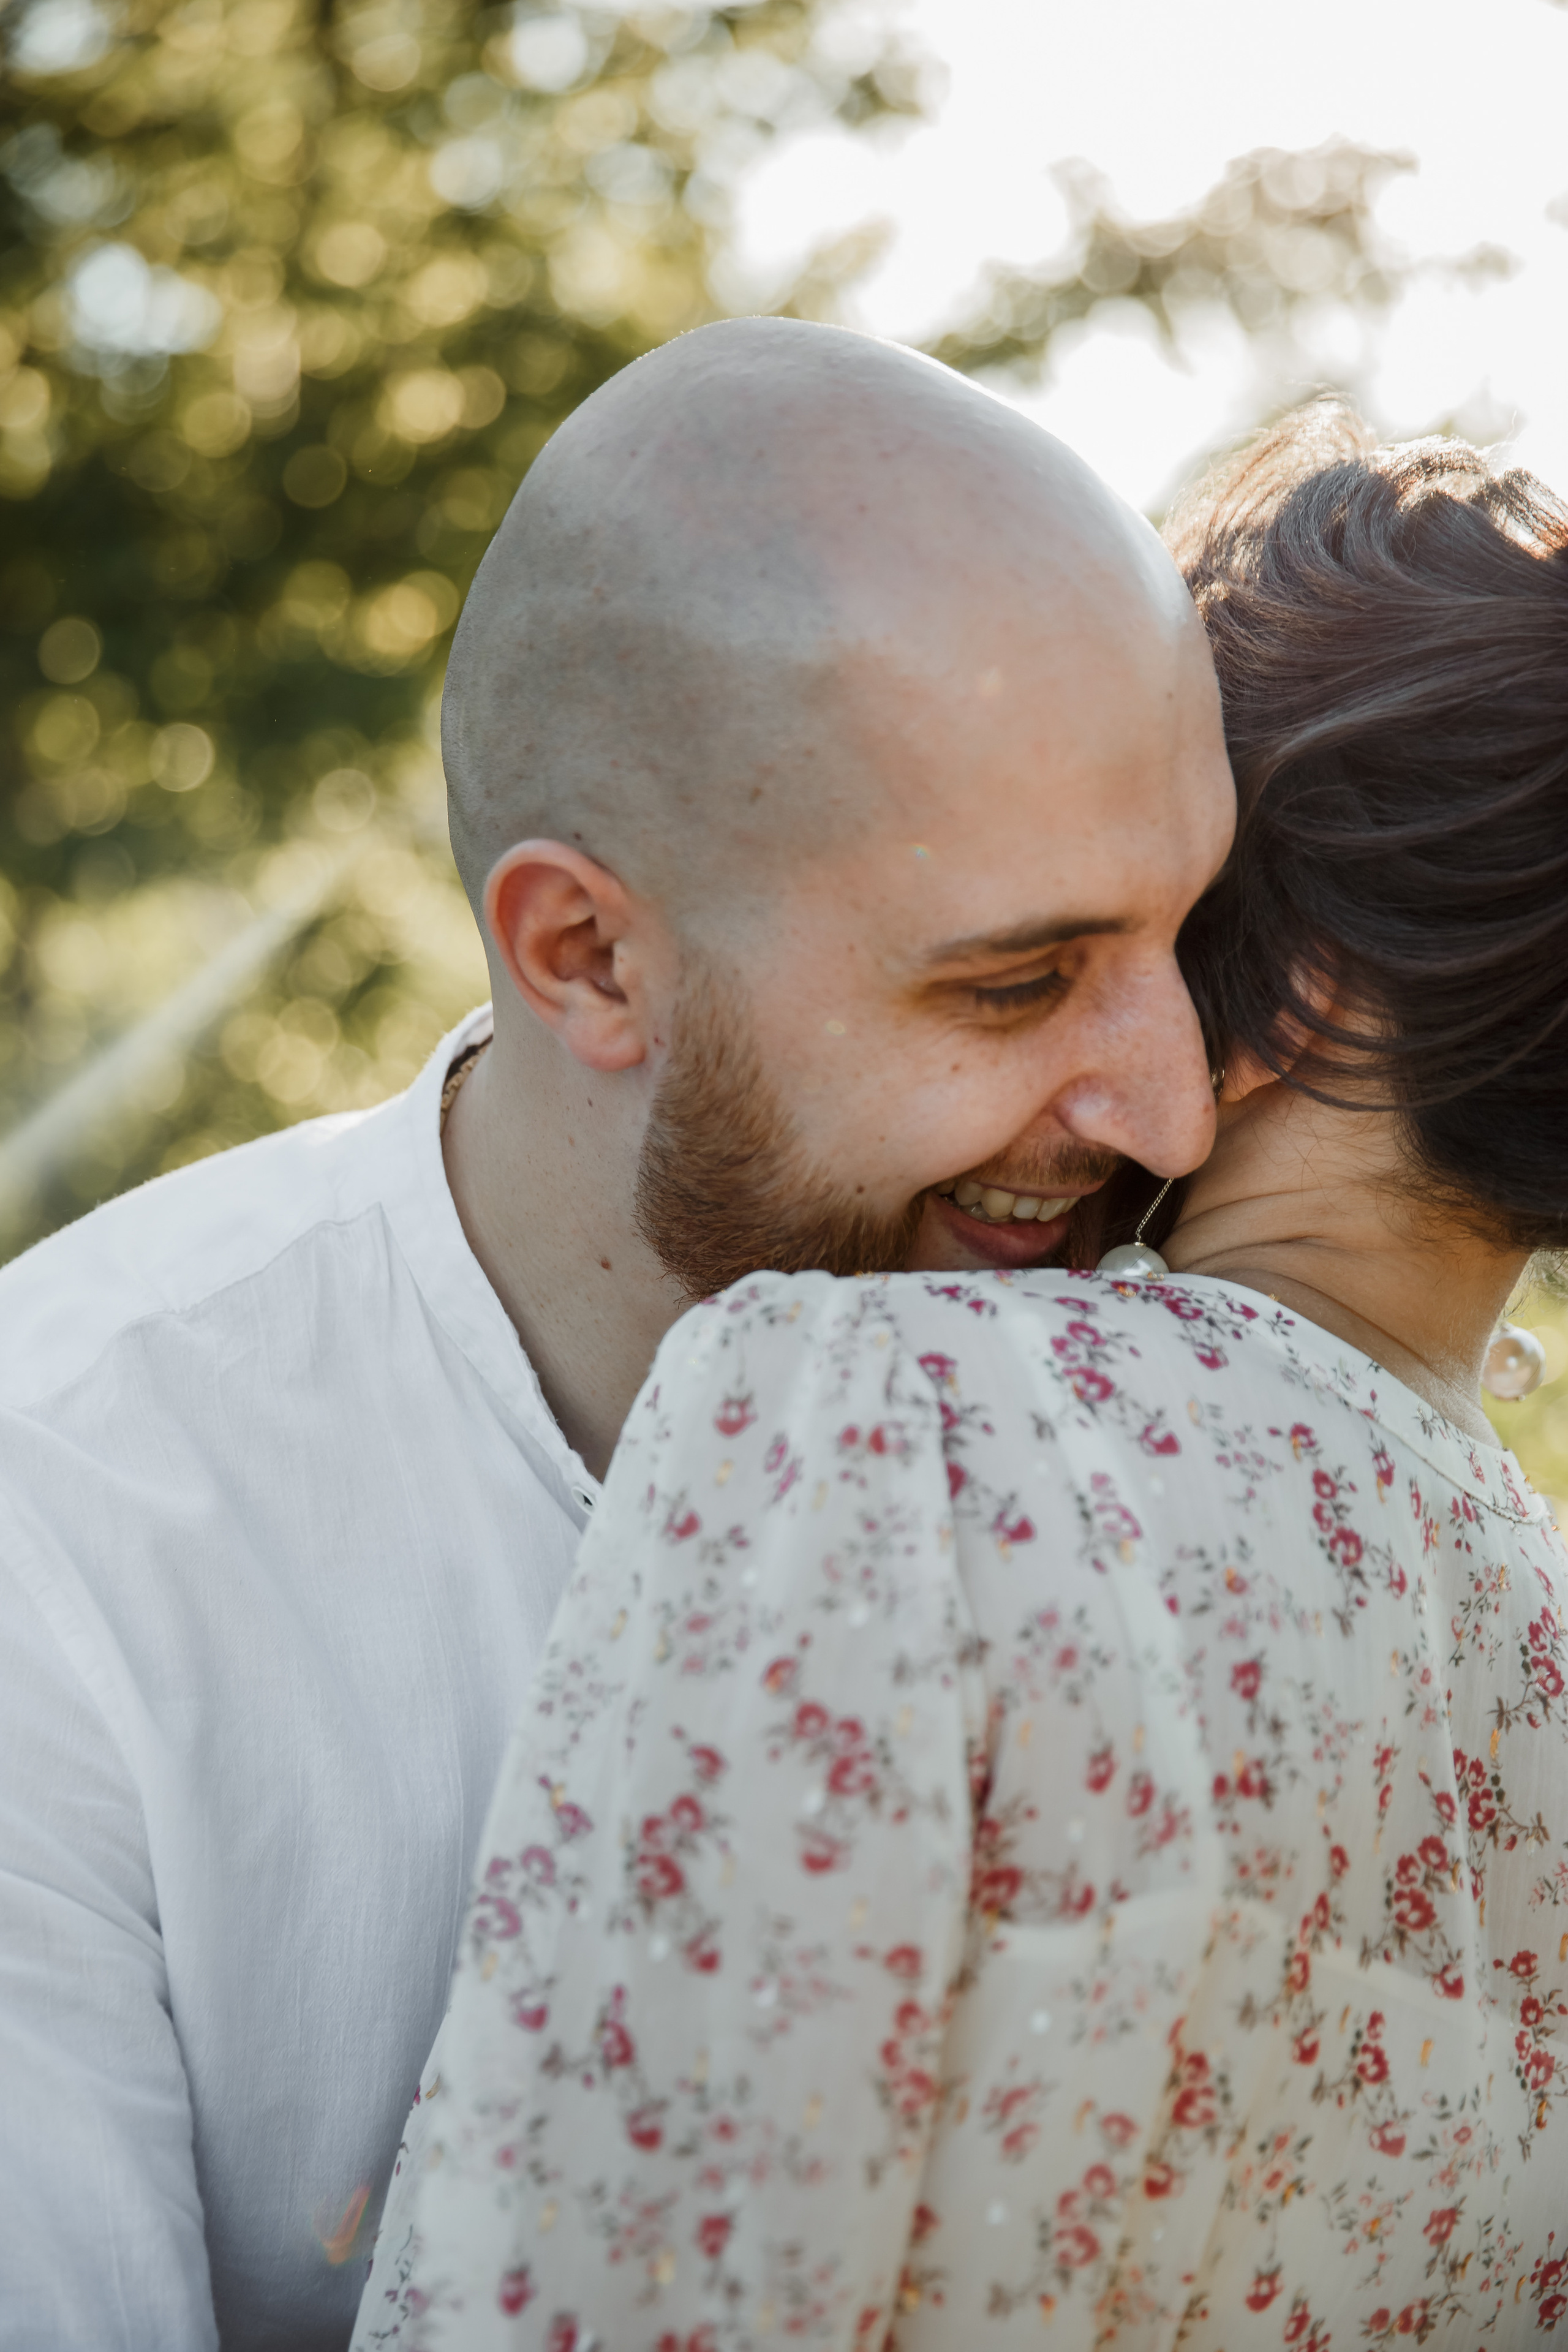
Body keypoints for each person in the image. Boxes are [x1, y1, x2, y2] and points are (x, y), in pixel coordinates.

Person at [0, 318, 1233, 2350]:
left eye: (1191, 929)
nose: (1174, 1114)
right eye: (1018, 986)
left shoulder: (1180, 1406)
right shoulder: (68, 1542)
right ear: (588, 954)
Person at [353, 411, 1568, 2350]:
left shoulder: (881, 1430)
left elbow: (565, 2269)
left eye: (1178, 894)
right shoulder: (1542, 1637)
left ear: (1310, 974)